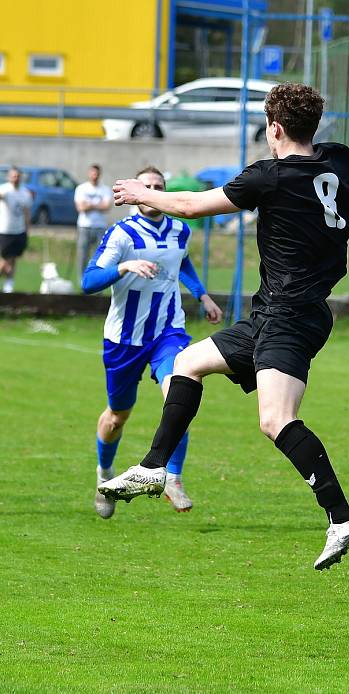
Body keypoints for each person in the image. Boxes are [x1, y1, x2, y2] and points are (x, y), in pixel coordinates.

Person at [98, 83, 349, 569]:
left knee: (276, 420)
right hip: (284, 312)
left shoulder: (269, 175)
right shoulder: (338, 159)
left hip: (289, 315)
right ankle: (153, 466)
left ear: (274, 129)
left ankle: (342, 517)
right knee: (188, 363)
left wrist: (141, 193)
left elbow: (191, 206)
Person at [82, 165, 223, 519]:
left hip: (167, 331)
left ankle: (172, 477)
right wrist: (125, 267)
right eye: (146, 186)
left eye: (158, 186)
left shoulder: (180, 228)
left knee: (179, 396)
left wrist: (202, 295)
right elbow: (88, 281)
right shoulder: (121, 234)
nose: (153, 191)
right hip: (125, 339)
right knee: (116, 417)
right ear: (133, 191)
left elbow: (183, 262)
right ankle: (104, 475)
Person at [74, 164, 113, 285]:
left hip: (100, 226)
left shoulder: (105, 189)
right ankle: (82, 281)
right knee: (82, 256)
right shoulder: (81, 188)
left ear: (99, 174)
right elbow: (80, 207)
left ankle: (97, 281)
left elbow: (106, 207)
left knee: (99, 257)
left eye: (96, 173)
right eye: (92, 173)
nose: (94, 176)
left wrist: (89, 205)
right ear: (89, 173)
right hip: (84, 226)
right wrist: (97, 205)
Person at [0, 166, 33, 293]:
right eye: (13, 176)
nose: (15, 178)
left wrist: (27, 229)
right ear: (9, 177)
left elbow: (26, 212)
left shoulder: (25, 193)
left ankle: (9, 286)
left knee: (13, 260)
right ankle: (7, 280)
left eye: (17, 176)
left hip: (19, 231)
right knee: (4, 262)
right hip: (4, 230)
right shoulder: (4, 190)